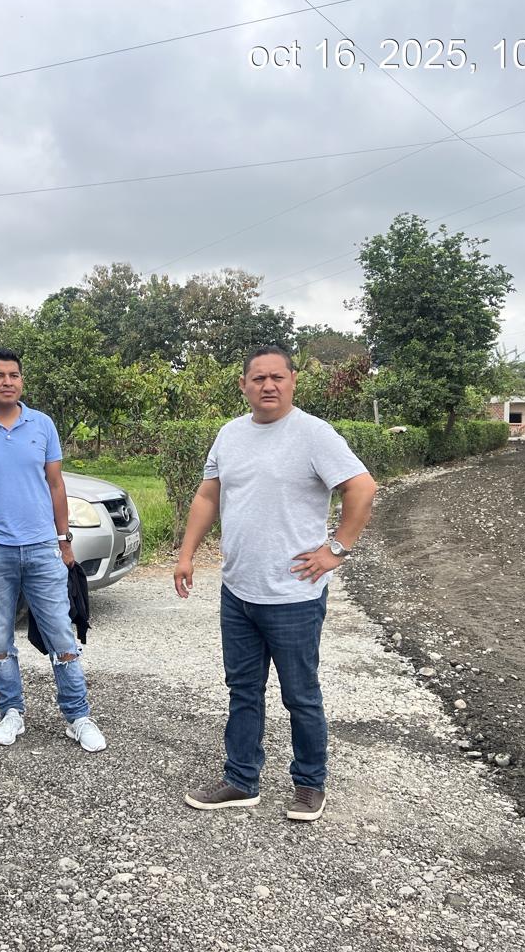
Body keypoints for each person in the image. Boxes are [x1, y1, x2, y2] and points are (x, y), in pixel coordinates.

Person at [173, 345, 376, 822]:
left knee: (299, 695)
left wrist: (336, 549)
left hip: (293, 596)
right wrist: (185, 554)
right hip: (238, 591)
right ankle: (241, 780)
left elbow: (362, 487)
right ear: (243, 385)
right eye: (259, 378)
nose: (268, 385)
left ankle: (309, 784)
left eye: (277, 377)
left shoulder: (313, 434)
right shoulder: (230, 434)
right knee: (243, 690)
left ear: (292, 381)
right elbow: (208, 496)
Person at [0, 348, 106, 753]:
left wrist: (64, 540)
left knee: (61, 636)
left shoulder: (42, 425)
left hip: (41, 547)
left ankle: (78, 716)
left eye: (14, 375)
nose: (8, 382)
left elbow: (56, 485)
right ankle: (11, 711)